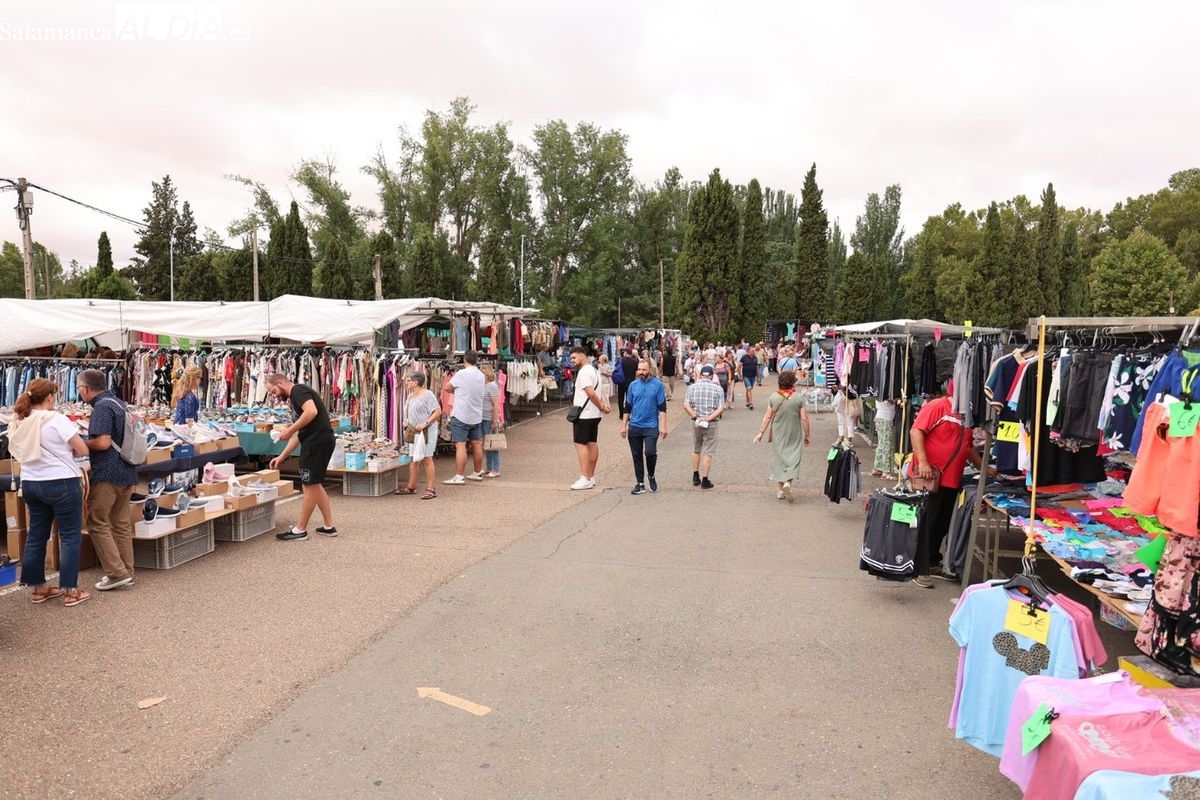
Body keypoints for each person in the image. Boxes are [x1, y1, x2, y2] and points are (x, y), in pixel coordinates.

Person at [9, 379, 90, 606]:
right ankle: (71, 590)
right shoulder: (56, 419)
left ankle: (39, 588)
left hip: (32, 482)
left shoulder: (20, 420)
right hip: (61, 481)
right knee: (70, 535)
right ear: (49, 397)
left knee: (36, 534)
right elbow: (81, 448)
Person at [908, 380, 995, 586]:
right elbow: (916, 431)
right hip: (932, 476)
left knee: (942, 522)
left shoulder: (966, 415)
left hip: (951, 478)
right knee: (928, 520)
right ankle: (919, 568)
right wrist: (923, 462)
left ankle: (931, 561)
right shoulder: (938, 406)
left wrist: (984, 468)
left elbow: (968, 446)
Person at [76, 368, 138, 591]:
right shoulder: (119, 403)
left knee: (97, 522)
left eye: (79, 387)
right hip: (127, 470)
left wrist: (79, 444)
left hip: (108, 471)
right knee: (121, 523)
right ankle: (126, 572)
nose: (79, 391)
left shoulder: (101, 407)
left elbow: (102, 443)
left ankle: (116, 573)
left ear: (85, 388)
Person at [267, 373, 338, 540]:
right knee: (315, 484)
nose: (274, 395)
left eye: (273, 391)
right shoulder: (296, 396)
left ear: (281, 383)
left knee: (308, 485)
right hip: (318, 441)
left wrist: (289, 429)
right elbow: (301, 434)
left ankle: (300, 530)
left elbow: (311, 412)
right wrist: (282, 456)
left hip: (317, 443)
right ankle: (329, 526)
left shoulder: (297, 391)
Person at [752, 370, 811, 503]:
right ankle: (788, 483)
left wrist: (760, 433)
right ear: (792, 383)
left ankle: (780, 490)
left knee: (780, 458)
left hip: (778, 433)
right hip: (794, 432)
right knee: (793, 457)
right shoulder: (799, 398)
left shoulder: (774, 397)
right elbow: (804, 419)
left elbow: (768, 416)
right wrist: (807, 435)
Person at [621, 359, 668, 495]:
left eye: (644, 370)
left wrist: (663, 426)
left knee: (650, 452)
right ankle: (640, 483)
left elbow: (662, 408)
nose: (641, 372)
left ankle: (651, 475)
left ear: (650, 370)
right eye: (639, 370)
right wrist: (624, 426)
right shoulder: (633, 386)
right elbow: (627, 407)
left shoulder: (658, 385)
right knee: (636, 455)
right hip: (635, 425)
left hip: (651, 425)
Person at [569, 345, 611, 490]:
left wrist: (601, 406)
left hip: (585, 414)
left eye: (574, 357)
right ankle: (591, 476)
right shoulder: (594, 370)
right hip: (593, 414)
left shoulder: (584, 372)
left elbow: (591, 393)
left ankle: (584, 477)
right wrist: (603, 406)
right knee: (592, 442)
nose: (572, 361)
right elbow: (597, 392)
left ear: (582, 356)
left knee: (580, 444)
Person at [443, 350, 487, 485]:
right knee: (477, 443)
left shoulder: (461, 374)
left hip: (461, 414)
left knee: (460, 445)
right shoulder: (481, 375)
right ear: (477, 360)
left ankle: (459, 476)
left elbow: (447, 387)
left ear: (464, 360)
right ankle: (477, 472)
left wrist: (455, 390)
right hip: (476, 415)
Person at [396, 372, 442, 499]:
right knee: (414, 459)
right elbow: (408, 410)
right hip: (414, 430)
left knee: (427, 458)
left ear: (416, 382)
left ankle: (431, 488)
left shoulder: (428, 395)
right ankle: (411, 486)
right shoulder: (410, 396)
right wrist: (406, 420)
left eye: (408, 380)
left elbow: (438, 411)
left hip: (427, 430)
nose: (406, 382)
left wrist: (425, 423)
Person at [684, 364, 725, 489]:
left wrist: (696, 417)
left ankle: (695, 475)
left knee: (696, 448)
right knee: (708, 450)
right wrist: (708, 418)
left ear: (700, 375)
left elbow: (686, 405)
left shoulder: (692, 388)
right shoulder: (718, 389)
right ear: (712, 376)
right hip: (711, 422)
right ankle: (705, 479)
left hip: (695, 421)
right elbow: (721, 408)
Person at [481, 364, 503, 478]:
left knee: (493, 443)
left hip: (489, 418)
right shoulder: (483, 385)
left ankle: (495, 468)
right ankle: (489, 466)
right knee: (486, 443)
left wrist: (494, 420)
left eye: (483, 373)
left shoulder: (492, 386)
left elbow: (495, 405)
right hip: (482, 417)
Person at [872, 398, 898, 480]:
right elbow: (891, 401)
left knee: (882, 444)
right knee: (887, 445)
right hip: (886, 419)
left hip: (880, 417)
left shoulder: (879, 390)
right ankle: (886, 472)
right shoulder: (887, 392)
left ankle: (877, 467)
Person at [615, 348, 638, 419]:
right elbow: (636, 372)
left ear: (626, 353)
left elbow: (616, 368)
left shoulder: (620, 360)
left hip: (621, 382)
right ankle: (627, 414)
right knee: (629, 399)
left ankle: (621, 414)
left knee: (620, 398)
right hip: (630, 382)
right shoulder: (635, 362)